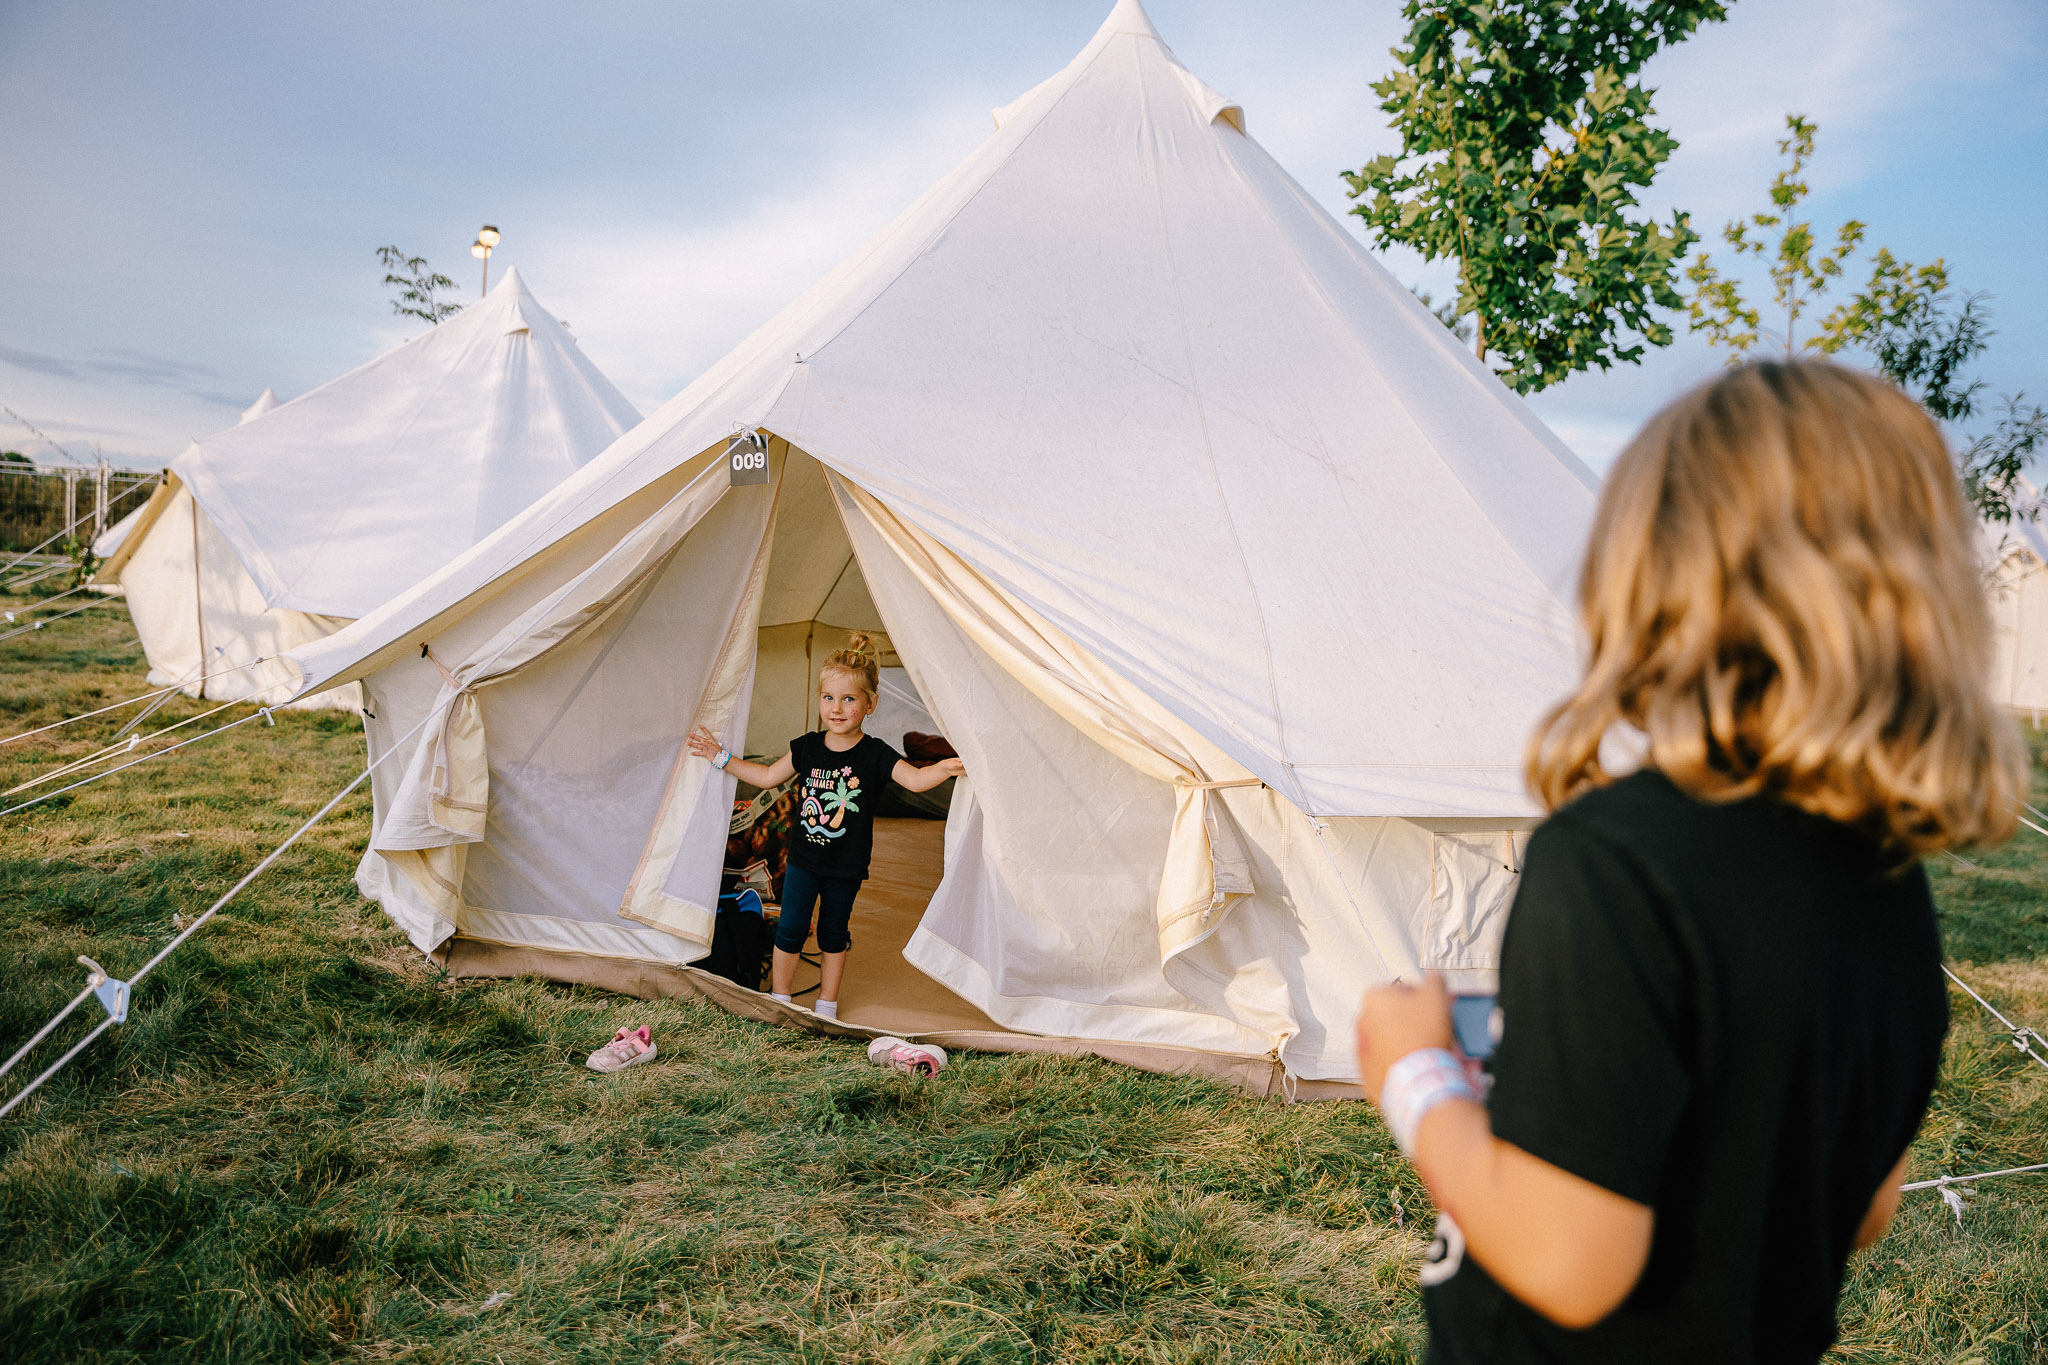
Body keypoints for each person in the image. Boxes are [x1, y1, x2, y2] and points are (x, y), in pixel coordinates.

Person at [1356, 360, 2026, 1364]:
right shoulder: (1884, 882)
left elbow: (1568, 1263)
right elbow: (1861, 1208)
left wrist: (1412, 1074)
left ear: (1652, 577)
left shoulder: (1612, 864)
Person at [687, 633, 964, 1022]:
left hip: (845, 867)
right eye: (828, 698)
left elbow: (915, 781)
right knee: (790, 930)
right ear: (819, 700)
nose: (836, 708)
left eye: (849, 699)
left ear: (870, 704)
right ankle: (780, 999)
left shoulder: (876, 754)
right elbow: (767, 776)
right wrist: (721, 758)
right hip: (803, 861)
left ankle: (827, 1007)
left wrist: (946, 767)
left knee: (834, 934)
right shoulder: (807, 747)